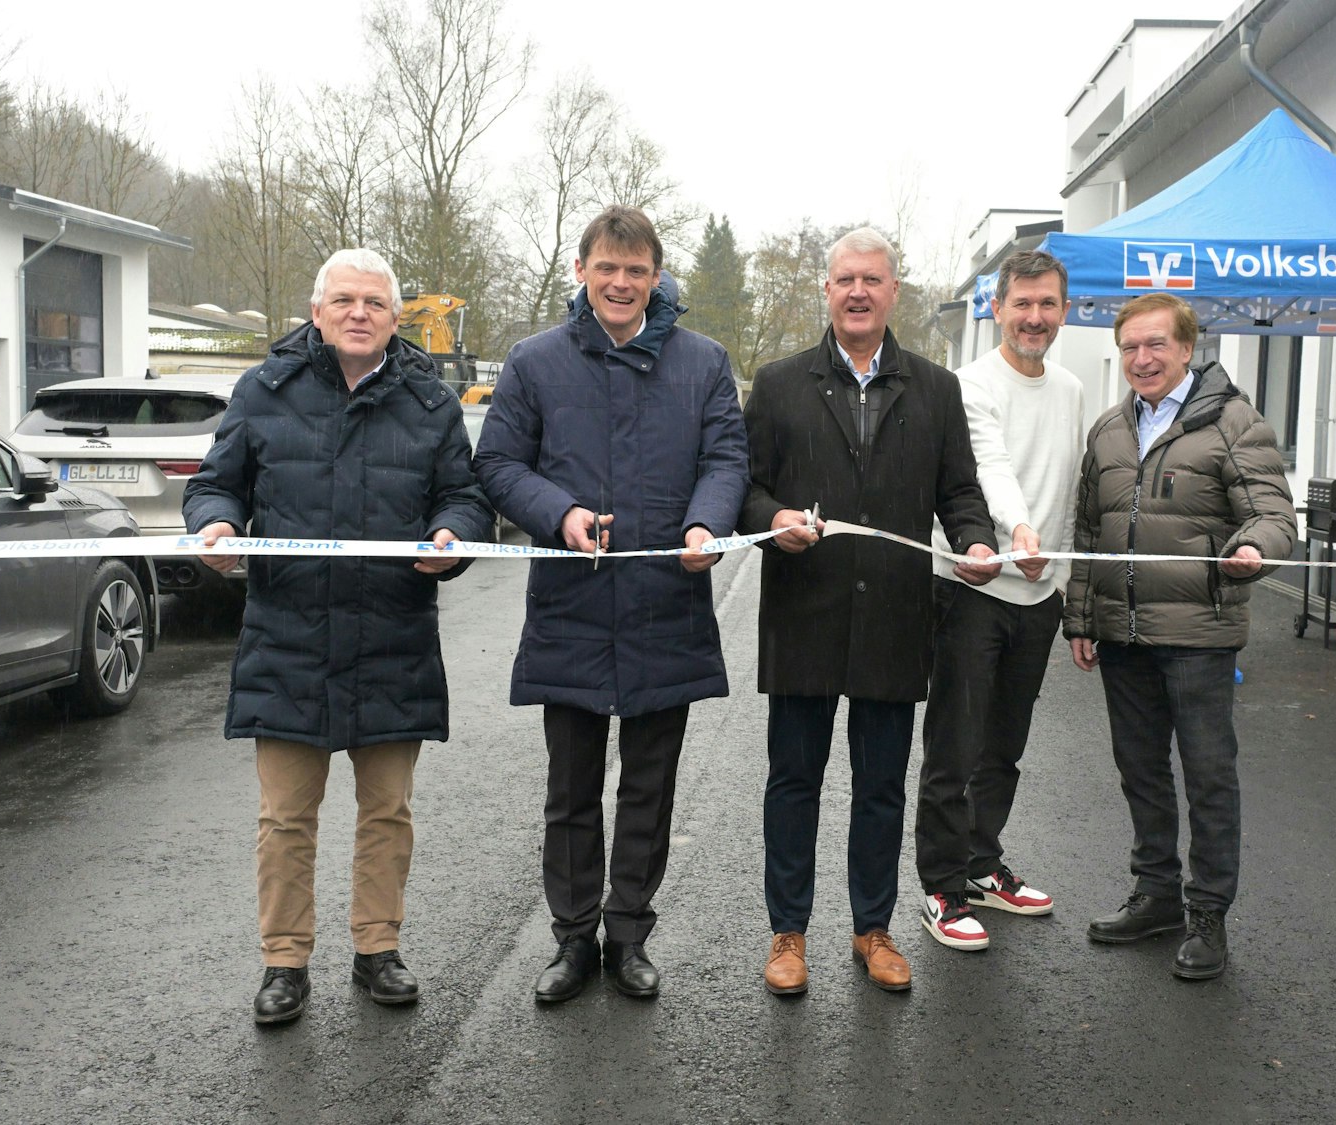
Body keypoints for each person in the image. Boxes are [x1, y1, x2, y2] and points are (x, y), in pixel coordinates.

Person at [184, 248, 493, 1025]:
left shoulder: (429, 402)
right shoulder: (263, 390)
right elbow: (215, 482)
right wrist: (215, 521)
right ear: (317, 313)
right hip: (286, 638)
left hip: (393, 637)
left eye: (375, 303)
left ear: (395, 318)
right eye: (345, 300)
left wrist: (450, 535)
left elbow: (466, 496)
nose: (360, 313)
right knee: (286, 816)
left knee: (387, 810)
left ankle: (377, 949)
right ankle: (284, 961)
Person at [473, 205, 748, 1004]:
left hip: (668, 602)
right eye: (607, 267)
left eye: (636, 270)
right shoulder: (534, 362)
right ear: (582, 272)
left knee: (649, 787)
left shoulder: (703, 363)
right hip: (572, 606)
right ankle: (571, 941)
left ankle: (628, 933)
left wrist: (707, 520)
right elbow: (497, 464)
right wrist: (557, 513)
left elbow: (727, 456)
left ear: (657, 277)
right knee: (571, 789)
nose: (621, 282)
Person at [739, 227, 1000, 995]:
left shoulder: (936, 388)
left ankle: (872, 928)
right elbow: (744, 489)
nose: (858, 291)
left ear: (895, 291)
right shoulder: (779, 382)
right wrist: (773, 516)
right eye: (845, 278)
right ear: (827, 289)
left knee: (882, 784)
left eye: (873, 280)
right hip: (803, 615)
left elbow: (959, 494)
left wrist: (977, 543)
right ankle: (788, 932)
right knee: (794, 780)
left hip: (894, 618)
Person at [1063, 293, 1296, 982]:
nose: (1143, 358)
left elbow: (1274, 516)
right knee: (1141, 770)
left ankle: (1208, 911)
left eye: (1156, 344)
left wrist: (1254, 547)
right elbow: (1088, 533)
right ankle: (1158, 892)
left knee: (1208, 776)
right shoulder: (1107, 430)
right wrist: (1081, 617)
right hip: (1123, 635)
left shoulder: (1232, 424)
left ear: (1187, 348)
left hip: (1199, 633)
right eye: (1131, 346)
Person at [915, 249, 1084, 952]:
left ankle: (984, 866)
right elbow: (990, 466)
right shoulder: (969, 385)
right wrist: (1018, 530)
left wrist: (1067, 589)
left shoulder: (1073, 389)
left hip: (1039, 597)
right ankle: (943, 888)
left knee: (1005, 748)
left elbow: (1069, 495)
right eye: (1022, 304)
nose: (1035, 318)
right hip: (972, 588)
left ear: (1064, 311)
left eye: (1047, 305)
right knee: (955, 746)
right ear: (997, 308)